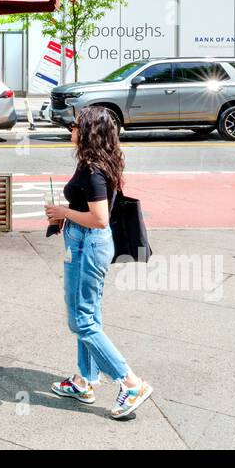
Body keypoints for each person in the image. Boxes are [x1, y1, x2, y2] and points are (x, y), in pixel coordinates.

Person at [44, 106, 154, 419]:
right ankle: (84, 381)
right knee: (87, 312)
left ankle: (131, 383)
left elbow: (99, 219)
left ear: (89, 132)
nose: (71, 130)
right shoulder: (96, 162)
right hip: (82, 241)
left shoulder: (93, 170)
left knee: (81, 320)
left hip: (88, 244)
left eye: (76, 126)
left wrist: (63, 212)